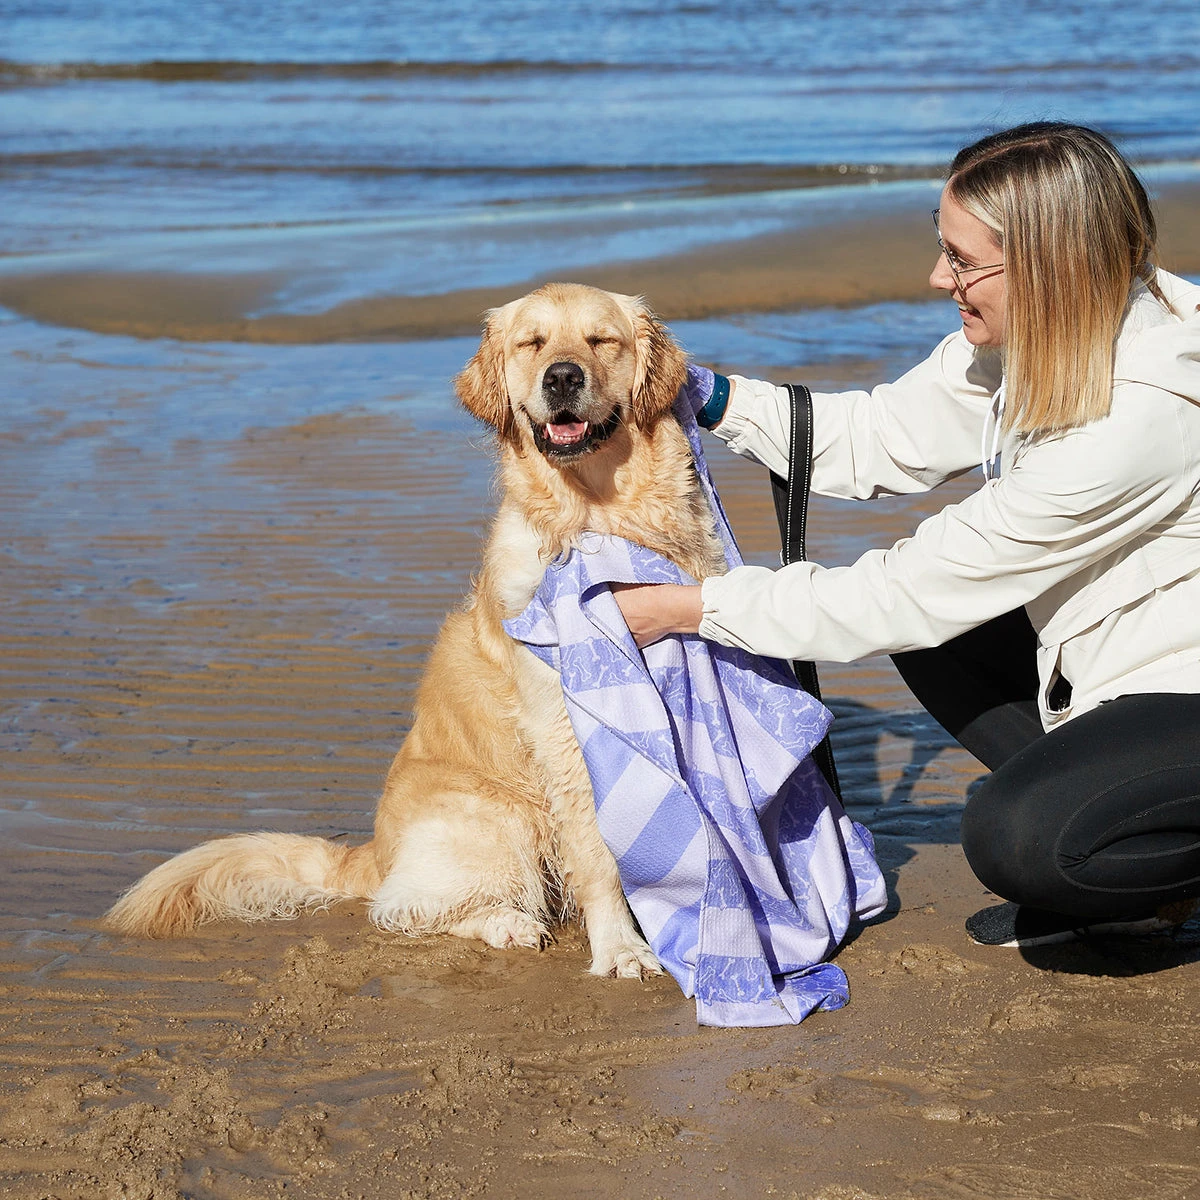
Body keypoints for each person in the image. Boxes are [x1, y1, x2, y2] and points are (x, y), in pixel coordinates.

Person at [612, 121, 1200, 949]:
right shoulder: (1052, 328)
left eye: (962, 260)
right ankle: (1122, 811)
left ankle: (1142, 850)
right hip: (1119, 661)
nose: (938, 276)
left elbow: (906, 591)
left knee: (1017, 838)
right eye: (942, 246)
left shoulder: (1145, 414)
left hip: (1186, 682)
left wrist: (687, 608)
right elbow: (881, 436)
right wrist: (706, 396)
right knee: (942, 637)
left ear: (1049, 268)